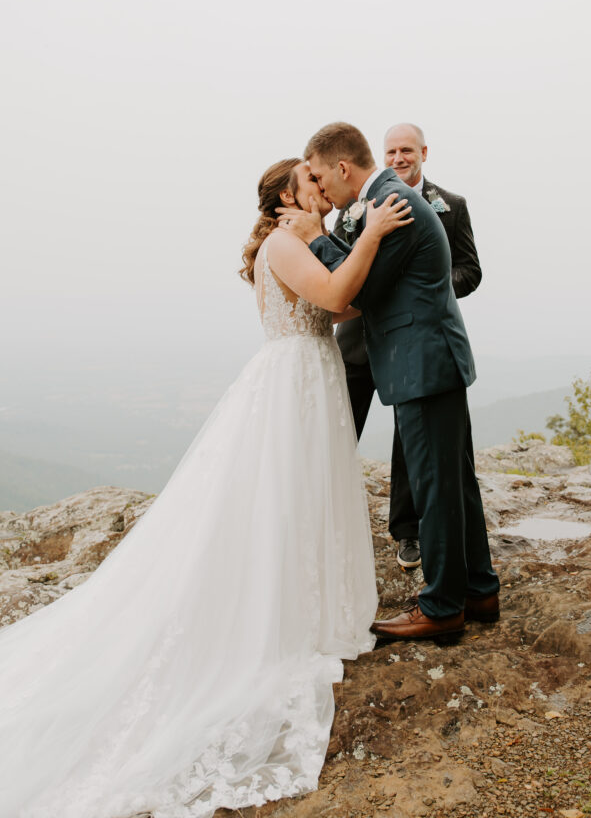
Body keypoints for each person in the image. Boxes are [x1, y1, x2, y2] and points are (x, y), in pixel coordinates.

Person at [0, 157, 412, 817]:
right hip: (293, 386)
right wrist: (371, 235)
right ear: (286, 194)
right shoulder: (284, 241)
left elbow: (342, 301)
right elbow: (335, 300)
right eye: (310, 183)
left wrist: (368, 250)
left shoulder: (301, 242)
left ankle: (307, 603)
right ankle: (277, 616)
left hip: (309, 377)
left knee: (303, 501)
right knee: (282, 503)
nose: (321, 193)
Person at [278, 123, 499, 645]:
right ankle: (478, 589)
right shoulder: (380, 201)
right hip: (428, 360)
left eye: (318, 175)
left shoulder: (390, 206)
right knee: (453, 480)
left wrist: (314, 238)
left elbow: (363, 288)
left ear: (342, 168)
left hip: (422, 363)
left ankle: (443, 606)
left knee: (435, 485)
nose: (320, 189)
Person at [334, 122, 482, 572]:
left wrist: (421, 289)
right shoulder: (356, 208)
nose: (398, 158)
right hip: (359, 343)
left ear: (423, 152)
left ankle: (407, 532)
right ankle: (331, 521)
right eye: (391, 151)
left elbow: (469, 271)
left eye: (406, 150)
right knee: (338, 429)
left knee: (412, 442)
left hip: (412, 341)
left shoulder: (450, 206)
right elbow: (344, 267)